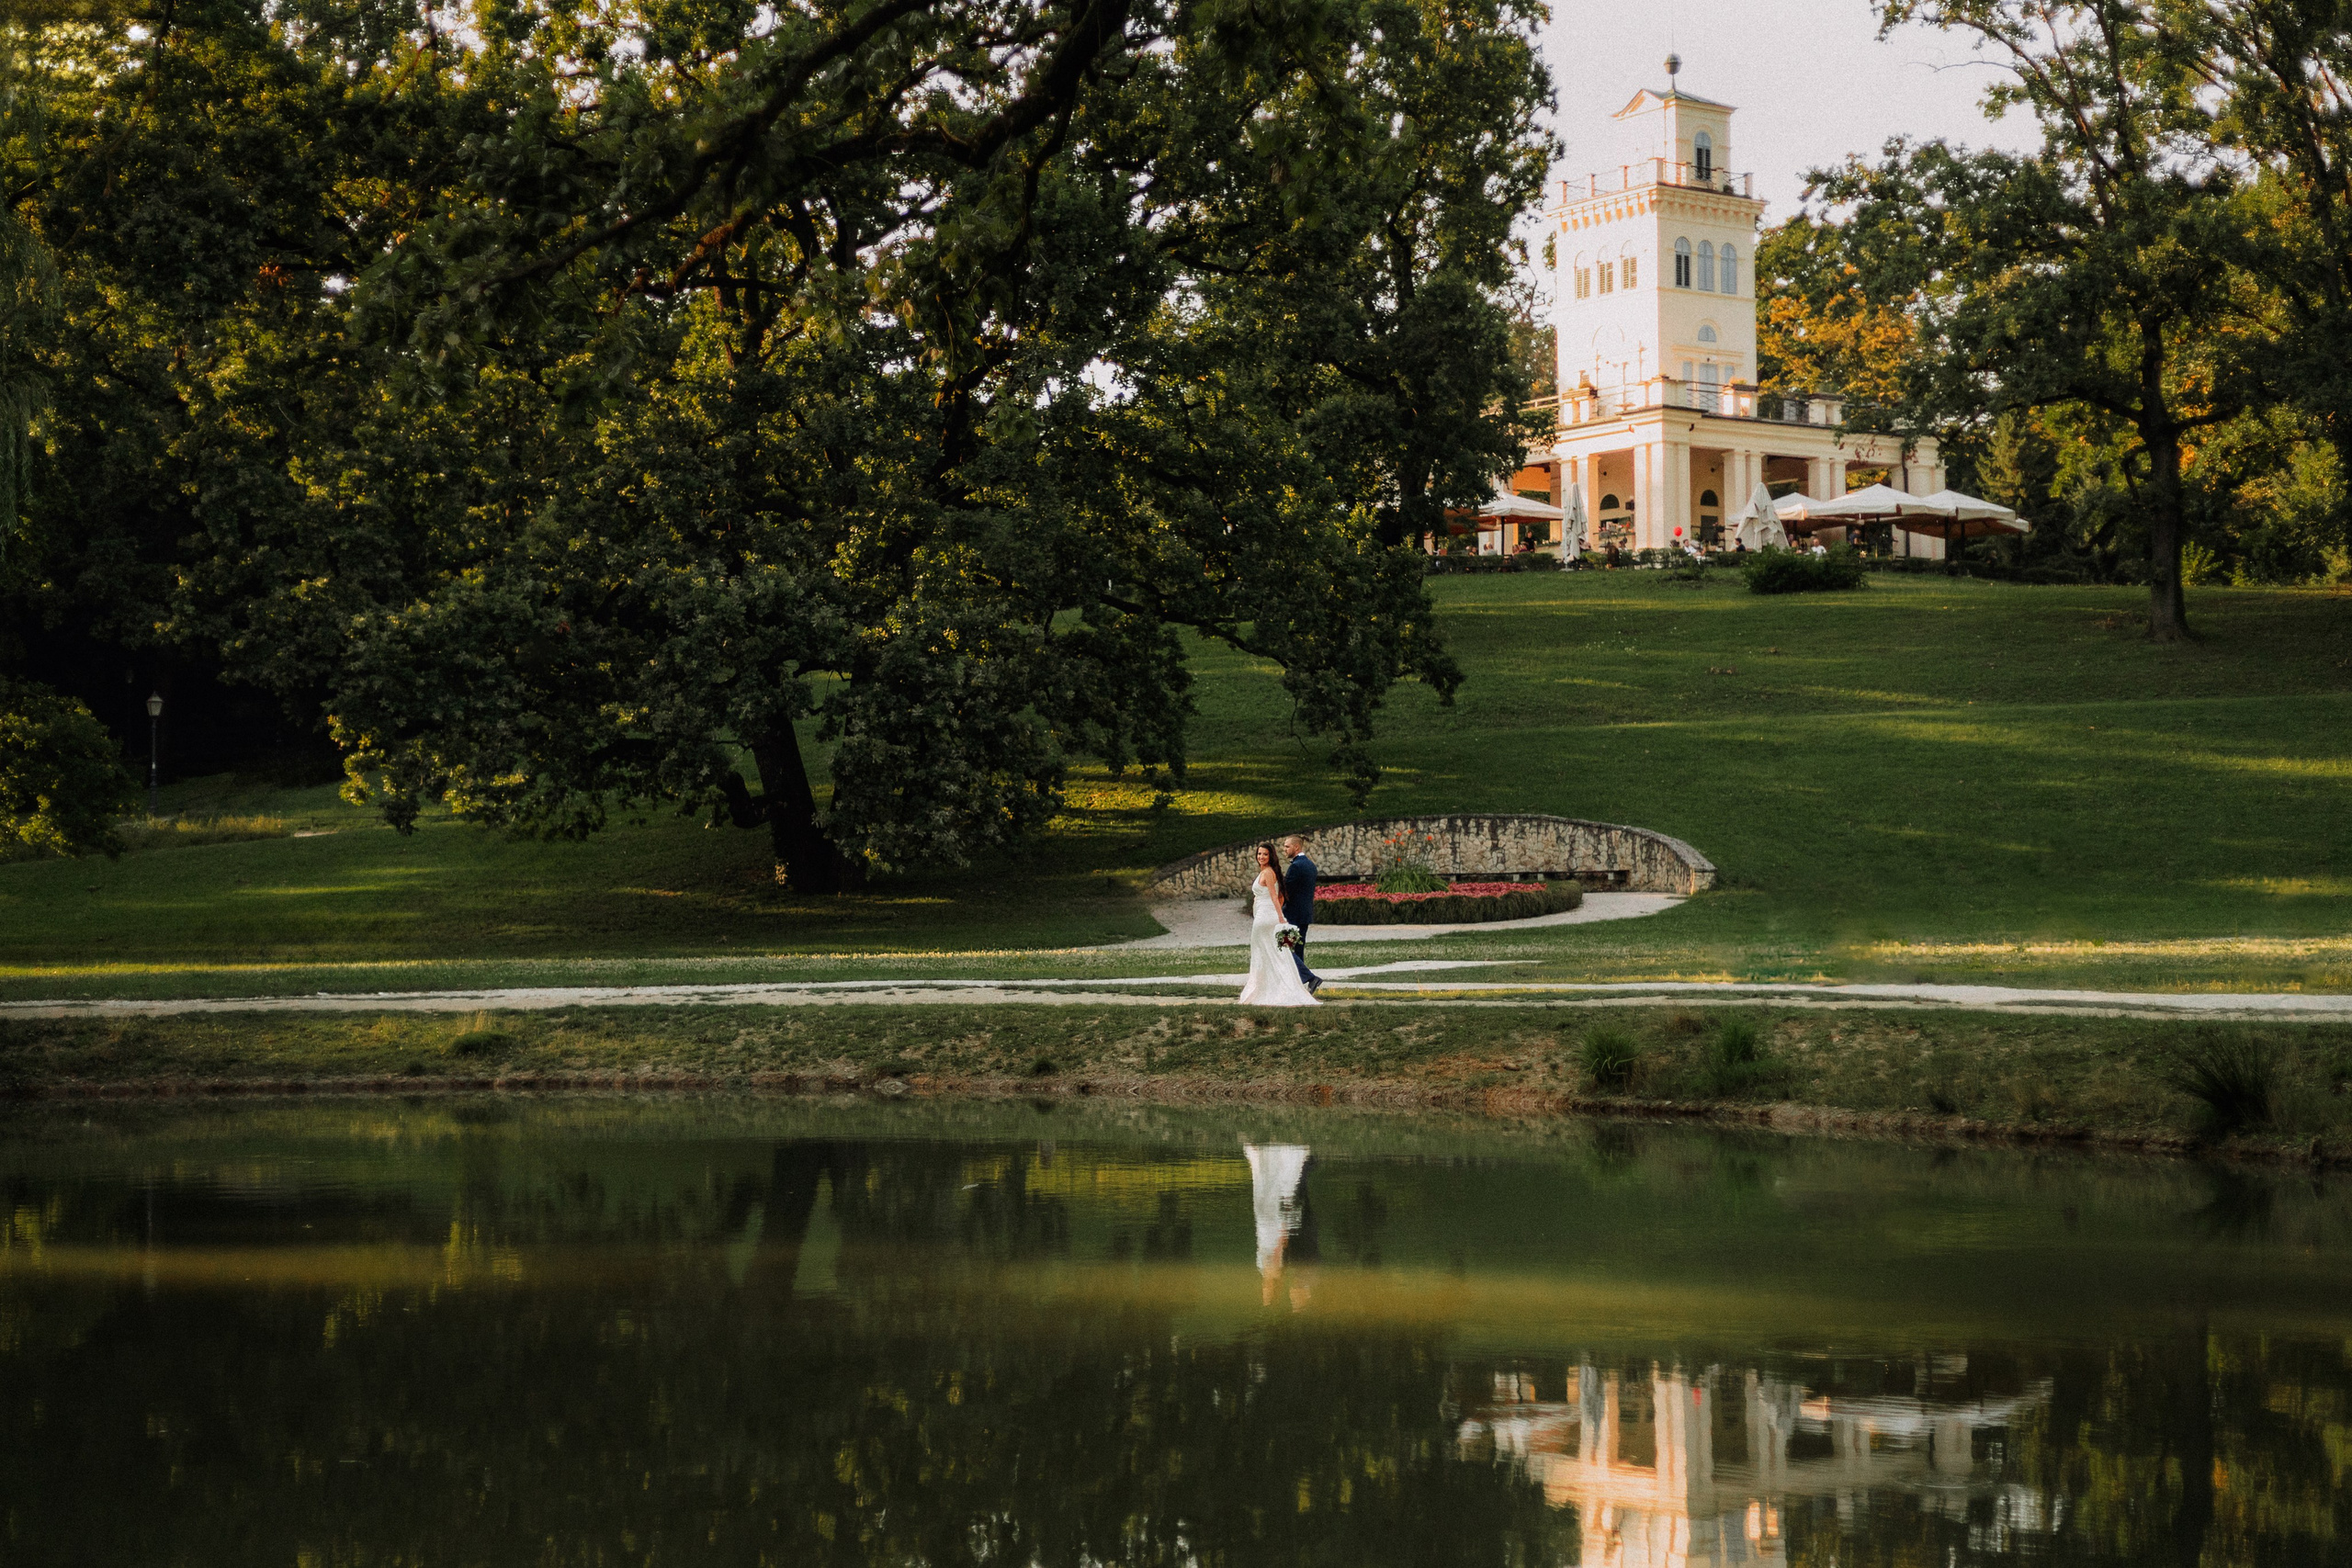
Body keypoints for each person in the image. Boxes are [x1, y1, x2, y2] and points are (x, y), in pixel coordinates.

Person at [1239, 841, 1319, 1007]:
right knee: (1277, 953)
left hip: (1266, 918)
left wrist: (1280, 917)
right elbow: (1280, 894)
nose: (1261, 857)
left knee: (1271, 953)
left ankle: (1297, 982)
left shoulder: (1268, 873)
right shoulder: (1270, 871)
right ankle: (1290, 984)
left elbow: (1276, 897)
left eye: (1265, 854)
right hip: (1268, 915)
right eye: (1259, 854)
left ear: (1271, 856)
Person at [1280, 833, 1322, 994]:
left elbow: (1287, 891)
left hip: (1293, 916)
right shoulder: (1310, 865)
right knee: (1297, 951)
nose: (1284, 849)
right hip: (1304, 916)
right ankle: (1298, 987)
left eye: (1287, 846)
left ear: (1296, 847)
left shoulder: (1296, 866)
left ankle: (1310, 978)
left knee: (1283, 949)